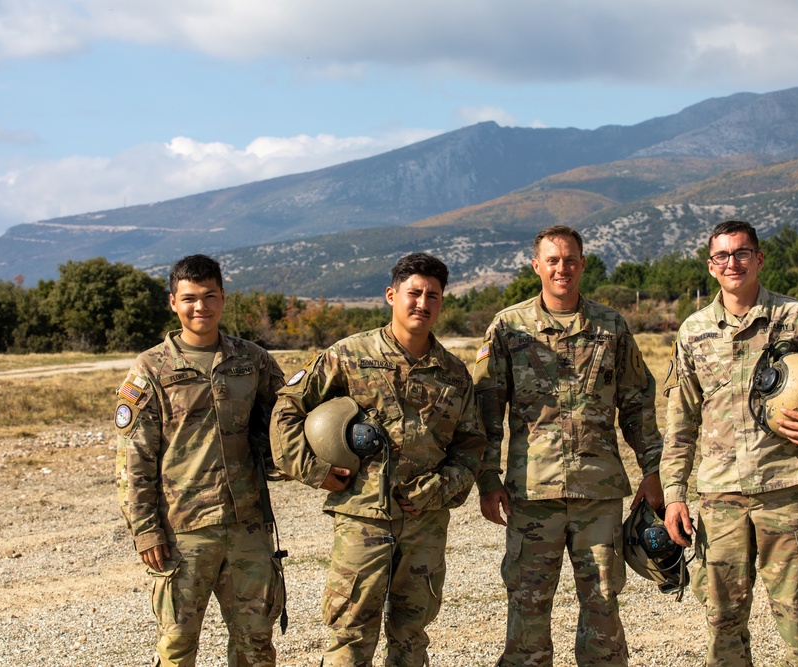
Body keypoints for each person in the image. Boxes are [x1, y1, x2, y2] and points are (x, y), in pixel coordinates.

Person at [661, 220, 798, 667]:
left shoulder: (797, 318)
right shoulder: (693, 332)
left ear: (759, 258)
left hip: (786, 495)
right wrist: (674, 495)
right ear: (711, 266)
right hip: (719, 502)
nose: (732, 263)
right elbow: (680, 422)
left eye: (741, 253)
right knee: (723, 626)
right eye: (722, 256)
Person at [270, 252, 485, 667]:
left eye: (433, 296)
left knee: (411, 634)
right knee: (350, 634)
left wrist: (441, 488)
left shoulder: (454, 373)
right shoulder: (348, 356)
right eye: (414, 293)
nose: (422, 303)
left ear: (442, 303)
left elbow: (471, 444)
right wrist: (314, 471)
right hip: (362, 519)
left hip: (425, 521)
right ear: (391, 295)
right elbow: (286, 410)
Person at [472, 225, 664, 667]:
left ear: (582, 263)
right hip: (532, 493)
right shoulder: (509, 327)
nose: (562, 268)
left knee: (603, 609)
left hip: (598, 494)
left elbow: (637, 403)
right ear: (536, 266)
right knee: (527, 608)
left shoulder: (611, 326)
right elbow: (486, 409)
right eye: (553, 260)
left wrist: (653, 471)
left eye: (570, 259)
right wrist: (487, 478)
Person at [115, 254, 286, 667]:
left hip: (247, 527)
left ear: (223, 298)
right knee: (177, 647)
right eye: (189, 298)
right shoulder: (151, 369)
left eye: (209, 296)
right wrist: (146, 532)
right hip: (182, 533)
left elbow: (286, 421)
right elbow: (134, 461)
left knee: (256, 645)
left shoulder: (253, 360)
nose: (201, 307)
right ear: (173, 302)